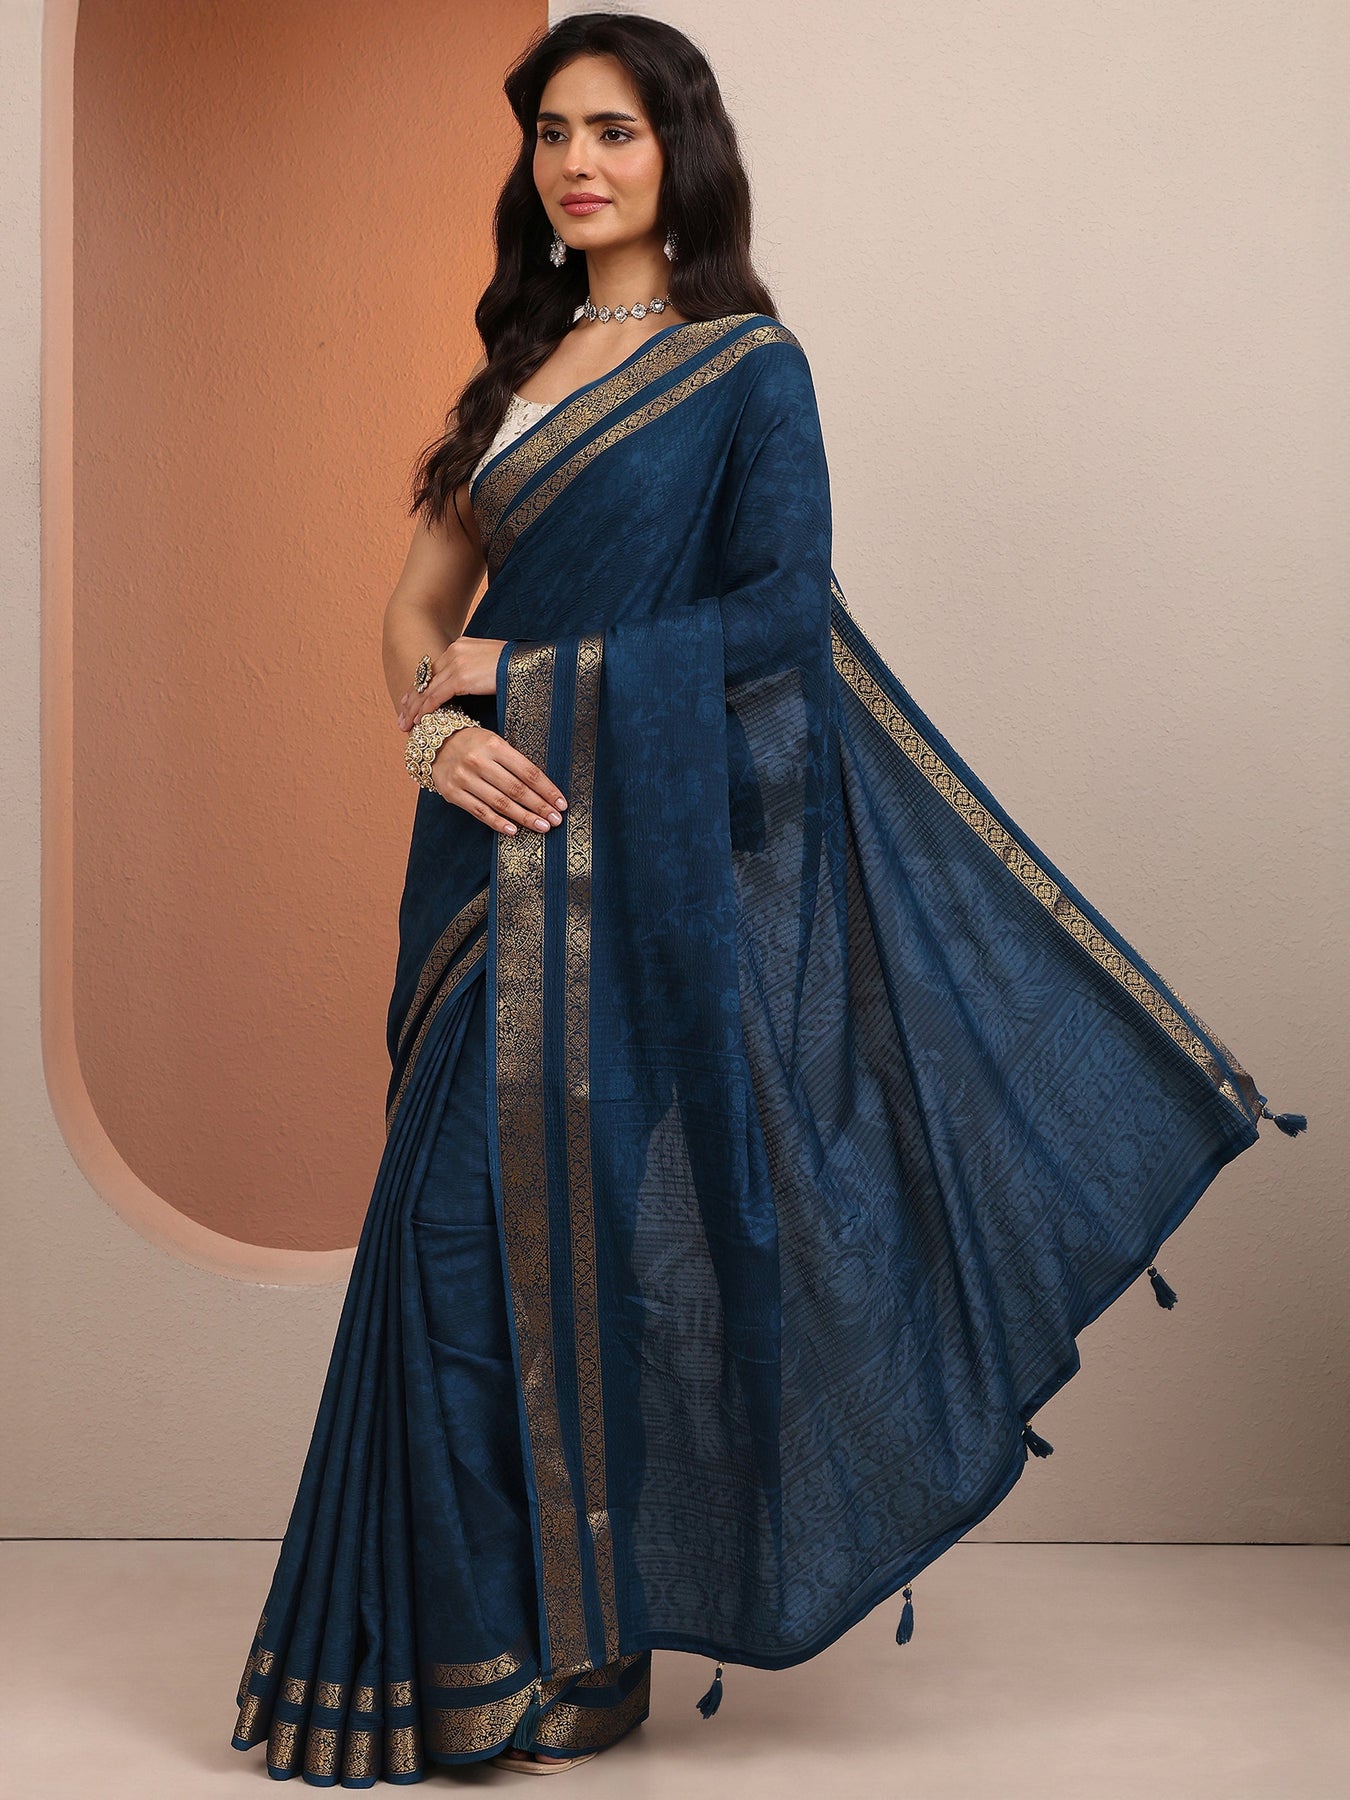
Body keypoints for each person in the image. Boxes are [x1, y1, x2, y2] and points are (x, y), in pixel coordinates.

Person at [230, 10, 1305, 1785]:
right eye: (552, 133)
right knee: (452, 1239)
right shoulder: (517, 371)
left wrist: (532, 676)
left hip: (635, 864)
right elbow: (413, 613)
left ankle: (566, 1657)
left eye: (614, 132)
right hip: (485, 854)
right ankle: (481, 1658)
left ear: (681, 153)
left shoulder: (743, 369)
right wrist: (431, 738)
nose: (577, 165)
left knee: (569, 1245)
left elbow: (778, 619)